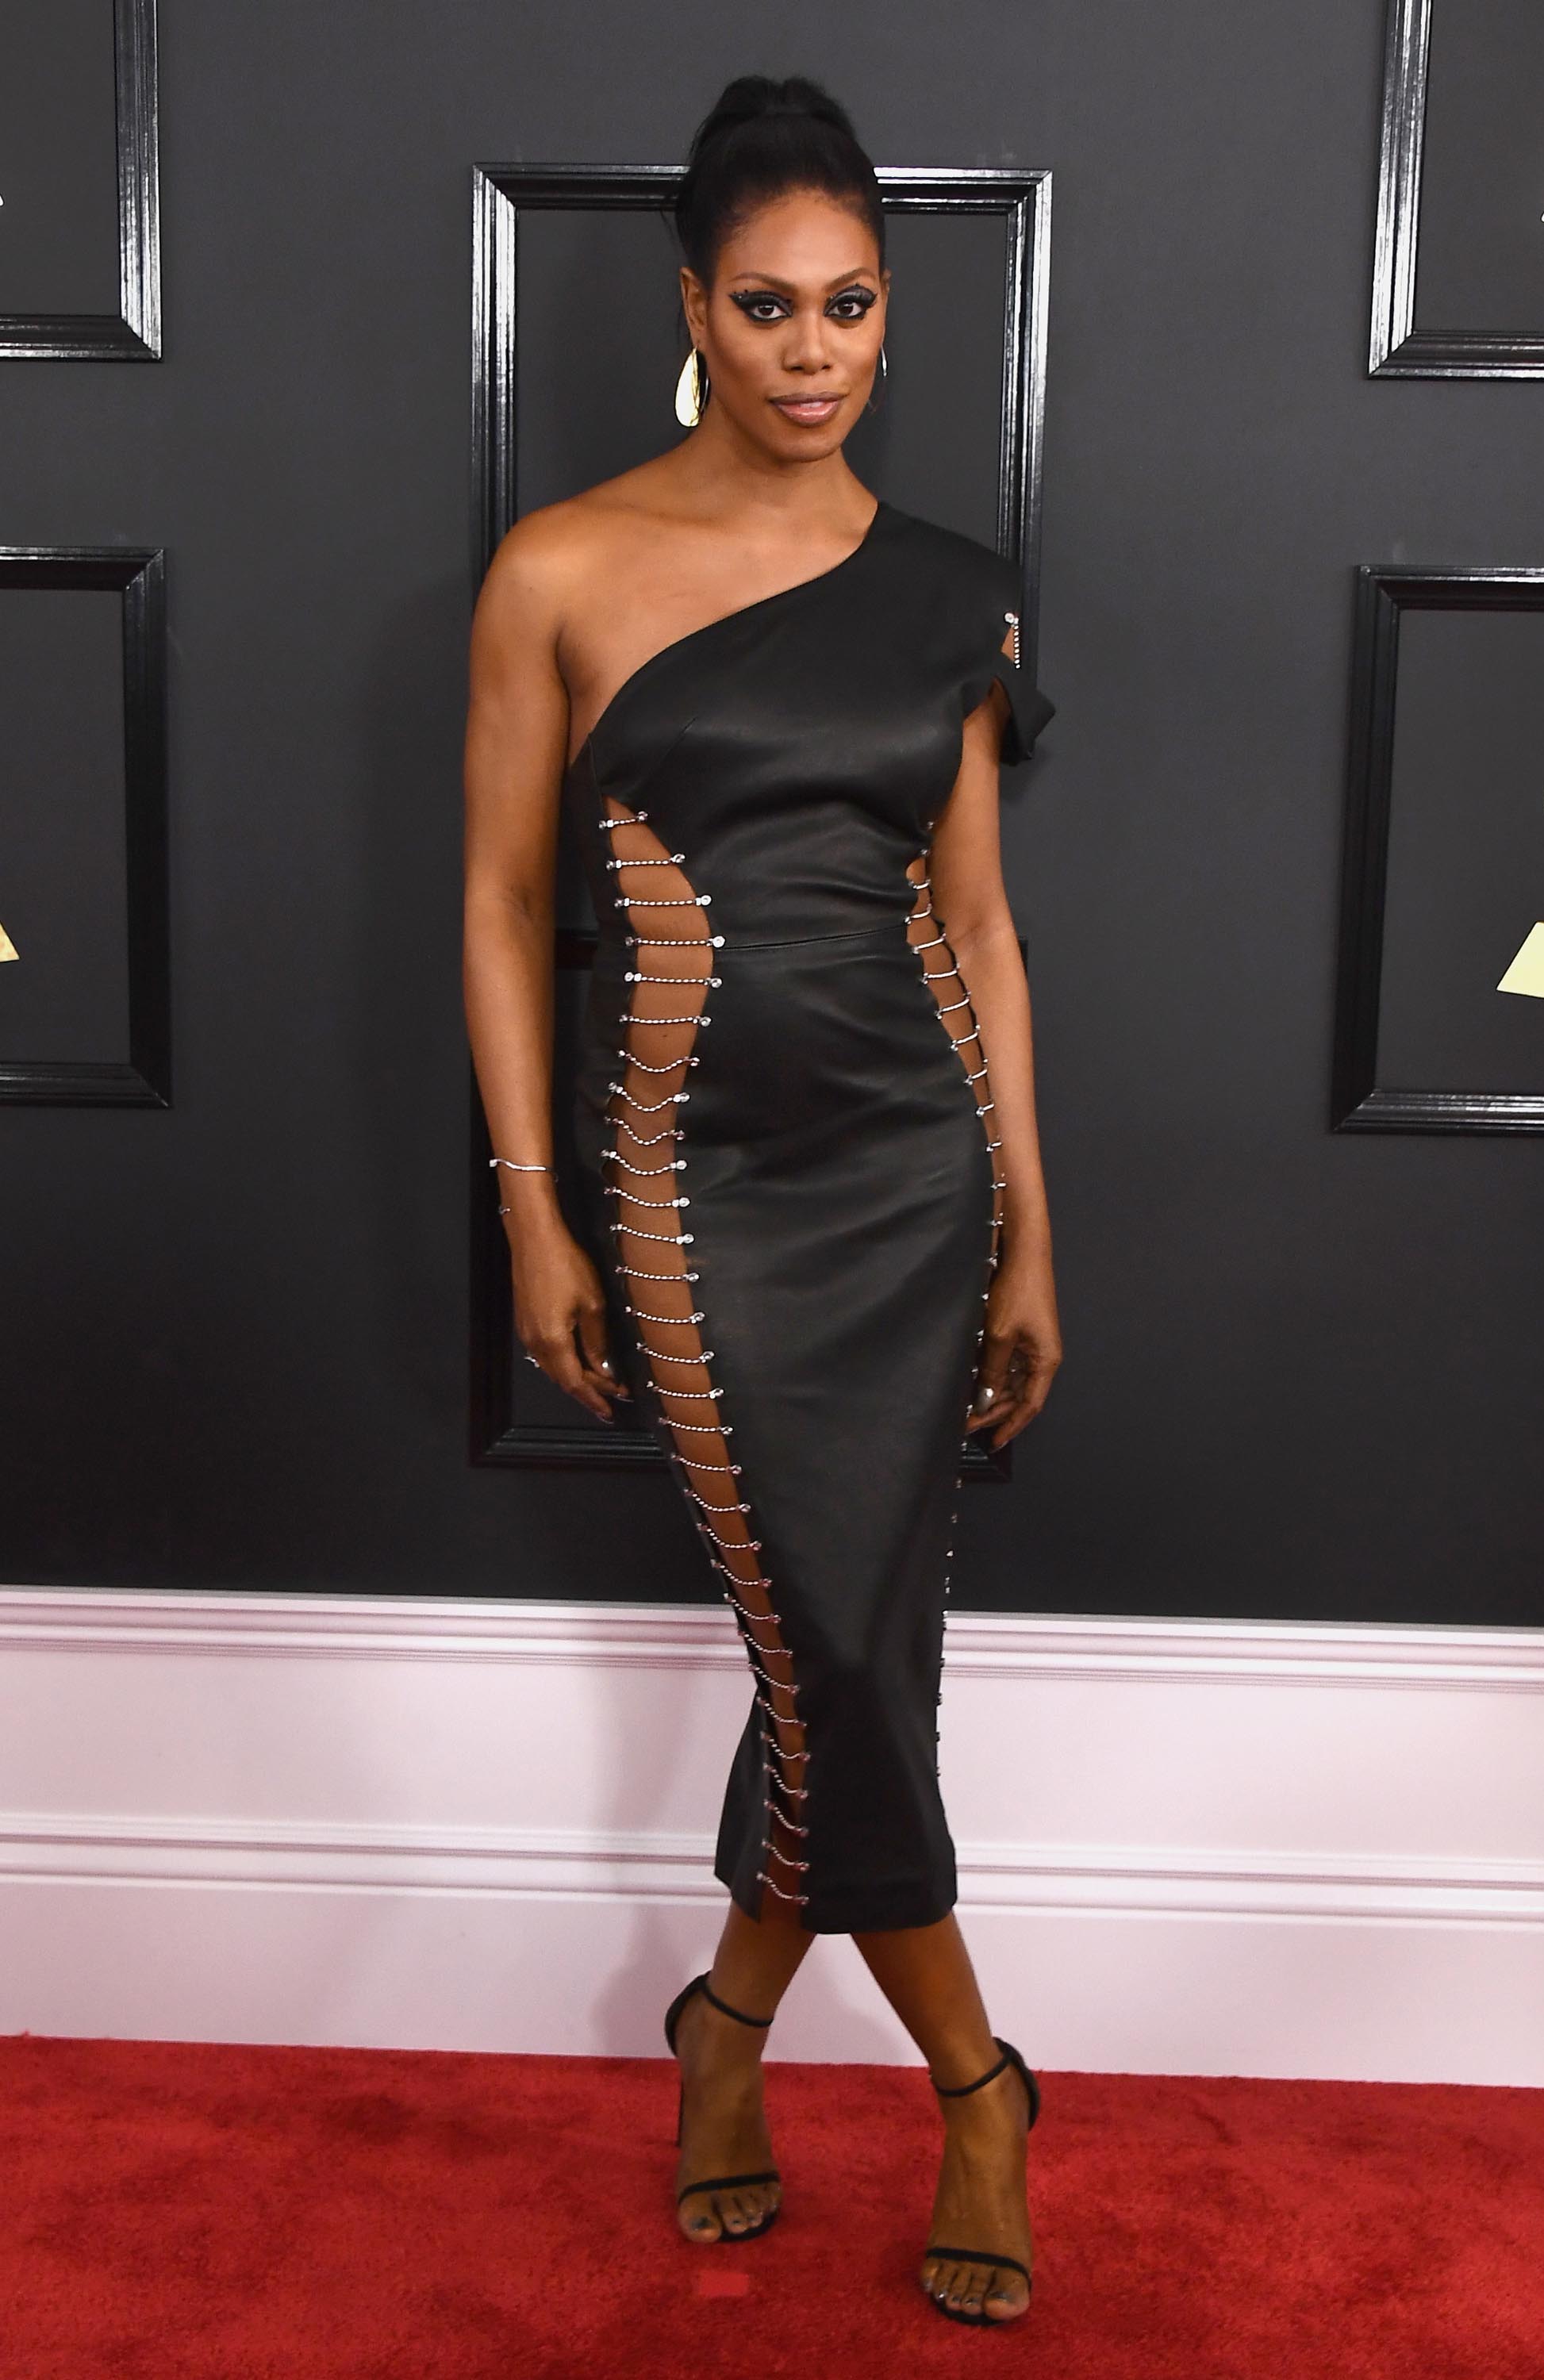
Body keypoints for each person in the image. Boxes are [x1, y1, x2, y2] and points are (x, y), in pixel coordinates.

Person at [462, 72, 1062, 2328]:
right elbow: (505, 910)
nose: (814, 352)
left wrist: (1032, 1226)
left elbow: (982, 933)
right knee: (830, 1651)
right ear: (690, 308)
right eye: (768, 307)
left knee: (854, 1662)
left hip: (917, 1180)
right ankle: (981, 2083)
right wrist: (534, 1209)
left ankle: (723, 2028)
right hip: (689, 1184)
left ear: (890, 318)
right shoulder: (564, 570)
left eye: (854, 308)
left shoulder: (954, 595)